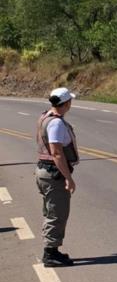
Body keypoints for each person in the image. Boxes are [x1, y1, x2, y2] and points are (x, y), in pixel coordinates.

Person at [34, 87, 79, 267]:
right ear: (66, 103)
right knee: (57, 213)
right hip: (53, 174)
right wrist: (68, 178)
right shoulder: (56, 123)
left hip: (43, 171)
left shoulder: (44, 116)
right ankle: (50, 254)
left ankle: (52, 250)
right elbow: (57, 153)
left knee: (51, 211)